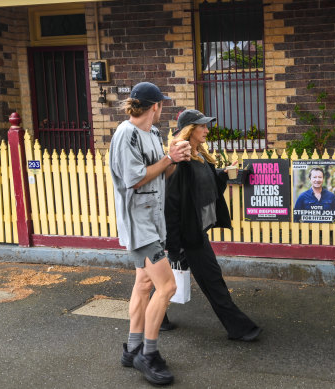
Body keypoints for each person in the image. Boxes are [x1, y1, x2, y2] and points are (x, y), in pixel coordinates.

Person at [110, 82, 191, 385]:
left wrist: (177, 156)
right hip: (138, 224)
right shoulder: (125, 134)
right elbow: (134, 179)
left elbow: (162, 171)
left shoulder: (154, 133)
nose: (163, 110)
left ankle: (132, 350)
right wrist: (168, 159)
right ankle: (149, 354)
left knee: (144, 284)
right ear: (155, 106)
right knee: (167, 287)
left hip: (154, 222)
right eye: (162, 105)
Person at [164, 109, 262, 342]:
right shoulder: (183, 162)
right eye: (203, 126)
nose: (207, 130)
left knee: (165, 281)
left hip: (197, 229)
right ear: (190, 130)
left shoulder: (200, 157)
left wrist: (224, 174)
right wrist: (174, 245)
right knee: (213, 280)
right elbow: (172, 204)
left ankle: (156, 317)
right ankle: (240, 328)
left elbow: (207, 181)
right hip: (190, 235)